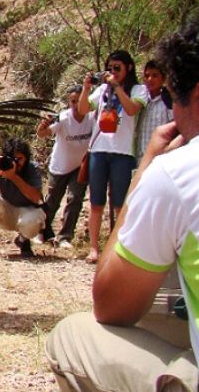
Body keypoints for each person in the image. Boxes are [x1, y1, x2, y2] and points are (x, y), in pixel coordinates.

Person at [45, 3, 199, 392]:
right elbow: (79, 112)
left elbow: (109, 307)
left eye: (174, 97)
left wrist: (146, 170)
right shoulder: (102, 92)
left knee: (71, 337)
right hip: (104, 152)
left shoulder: (180, 169)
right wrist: (94, 87)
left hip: (129, 158)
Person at [77, 50, 148, 263]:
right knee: (96, 203)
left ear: (129, 68)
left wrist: (117, 87)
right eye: (110, 68)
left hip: (123, 152)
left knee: (119, 203)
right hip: (99, 149)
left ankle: (118, 248)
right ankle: (94, 249)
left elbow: (132, 109)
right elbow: (82, 110)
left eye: (117, 68)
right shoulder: (101, 90)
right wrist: (86, 88)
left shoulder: (138, 89)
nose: (113, 72)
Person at [36, 85, 93, 248]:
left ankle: (65, 237)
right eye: (72, 101)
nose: (76, 105)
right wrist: (42, 127)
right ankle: (42, 233)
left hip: (80, 165)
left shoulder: (92, 117)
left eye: (79, 101)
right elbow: (43, 134)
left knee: (75, 199)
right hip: (60, 165)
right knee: (52, 200)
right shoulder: (63, 118)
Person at [135, 60, 174, 164]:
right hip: (140, 159)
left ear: (163, 78)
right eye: (147, 76)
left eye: (155, 75)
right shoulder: (140, 101)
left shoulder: (168, 101)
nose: (150, 79)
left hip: (161, 159)